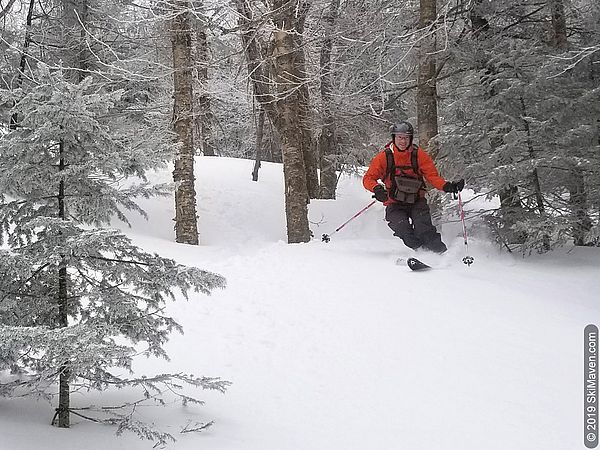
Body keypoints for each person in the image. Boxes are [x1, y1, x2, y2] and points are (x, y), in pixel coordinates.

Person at [362, 121, 464, 254]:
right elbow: (368, 178)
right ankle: (423, 253)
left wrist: (448, 186)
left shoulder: (419, 155)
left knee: (424, 229)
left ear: (410, 139)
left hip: (417, 201)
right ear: (394, 138)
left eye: (406, 137)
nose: (403, 141)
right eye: (399, 137)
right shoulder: (385, 157)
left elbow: (432, 177)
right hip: (395, 202)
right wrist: (376, 188)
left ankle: (441, 253)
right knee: (402, 229)